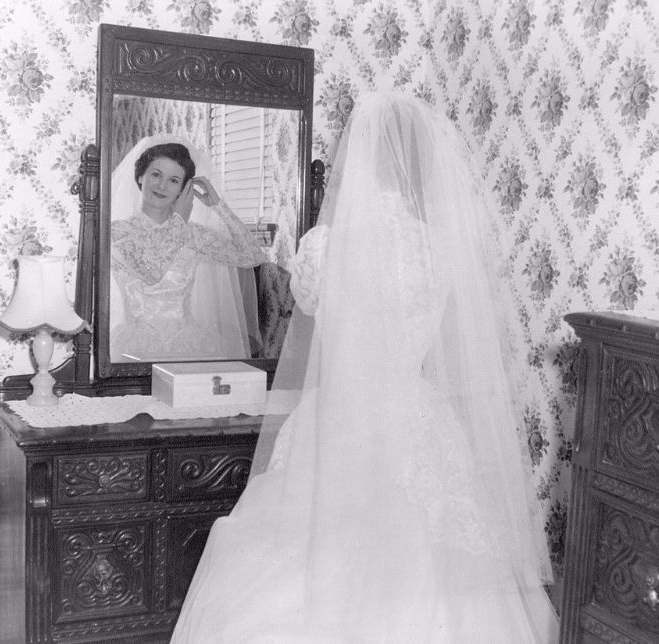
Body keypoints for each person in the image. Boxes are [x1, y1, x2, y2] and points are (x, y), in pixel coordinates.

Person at [170, 92, 560, 643]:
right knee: (430, 551)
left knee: (312, 550)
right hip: (417, 414)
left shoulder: (324, 246)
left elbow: (307, 310)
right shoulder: (439, 248)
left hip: (342, 415)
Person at [109, 137, 265, 362]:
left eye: (173, 180)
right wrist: (179, 220)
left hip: (190, 344)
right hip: (135, 348)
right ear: (140, 176)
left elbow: (252, 255)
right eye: (156, 174)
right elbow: (152, 272)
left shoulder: (193, 234)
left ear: (183, 190)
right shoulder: (117, 232)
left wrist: (218, 206)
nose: (162, 186)